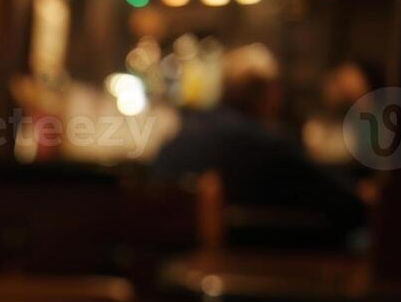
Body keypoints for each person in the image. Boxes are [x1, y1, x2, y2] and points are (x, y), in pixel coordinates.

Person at [152, 44, 367, 246]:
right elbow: (350, 202)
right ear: (268, 94)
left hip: (168, 266)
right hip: (248, 268)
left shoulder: (177, 140)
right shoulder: (267, 146)